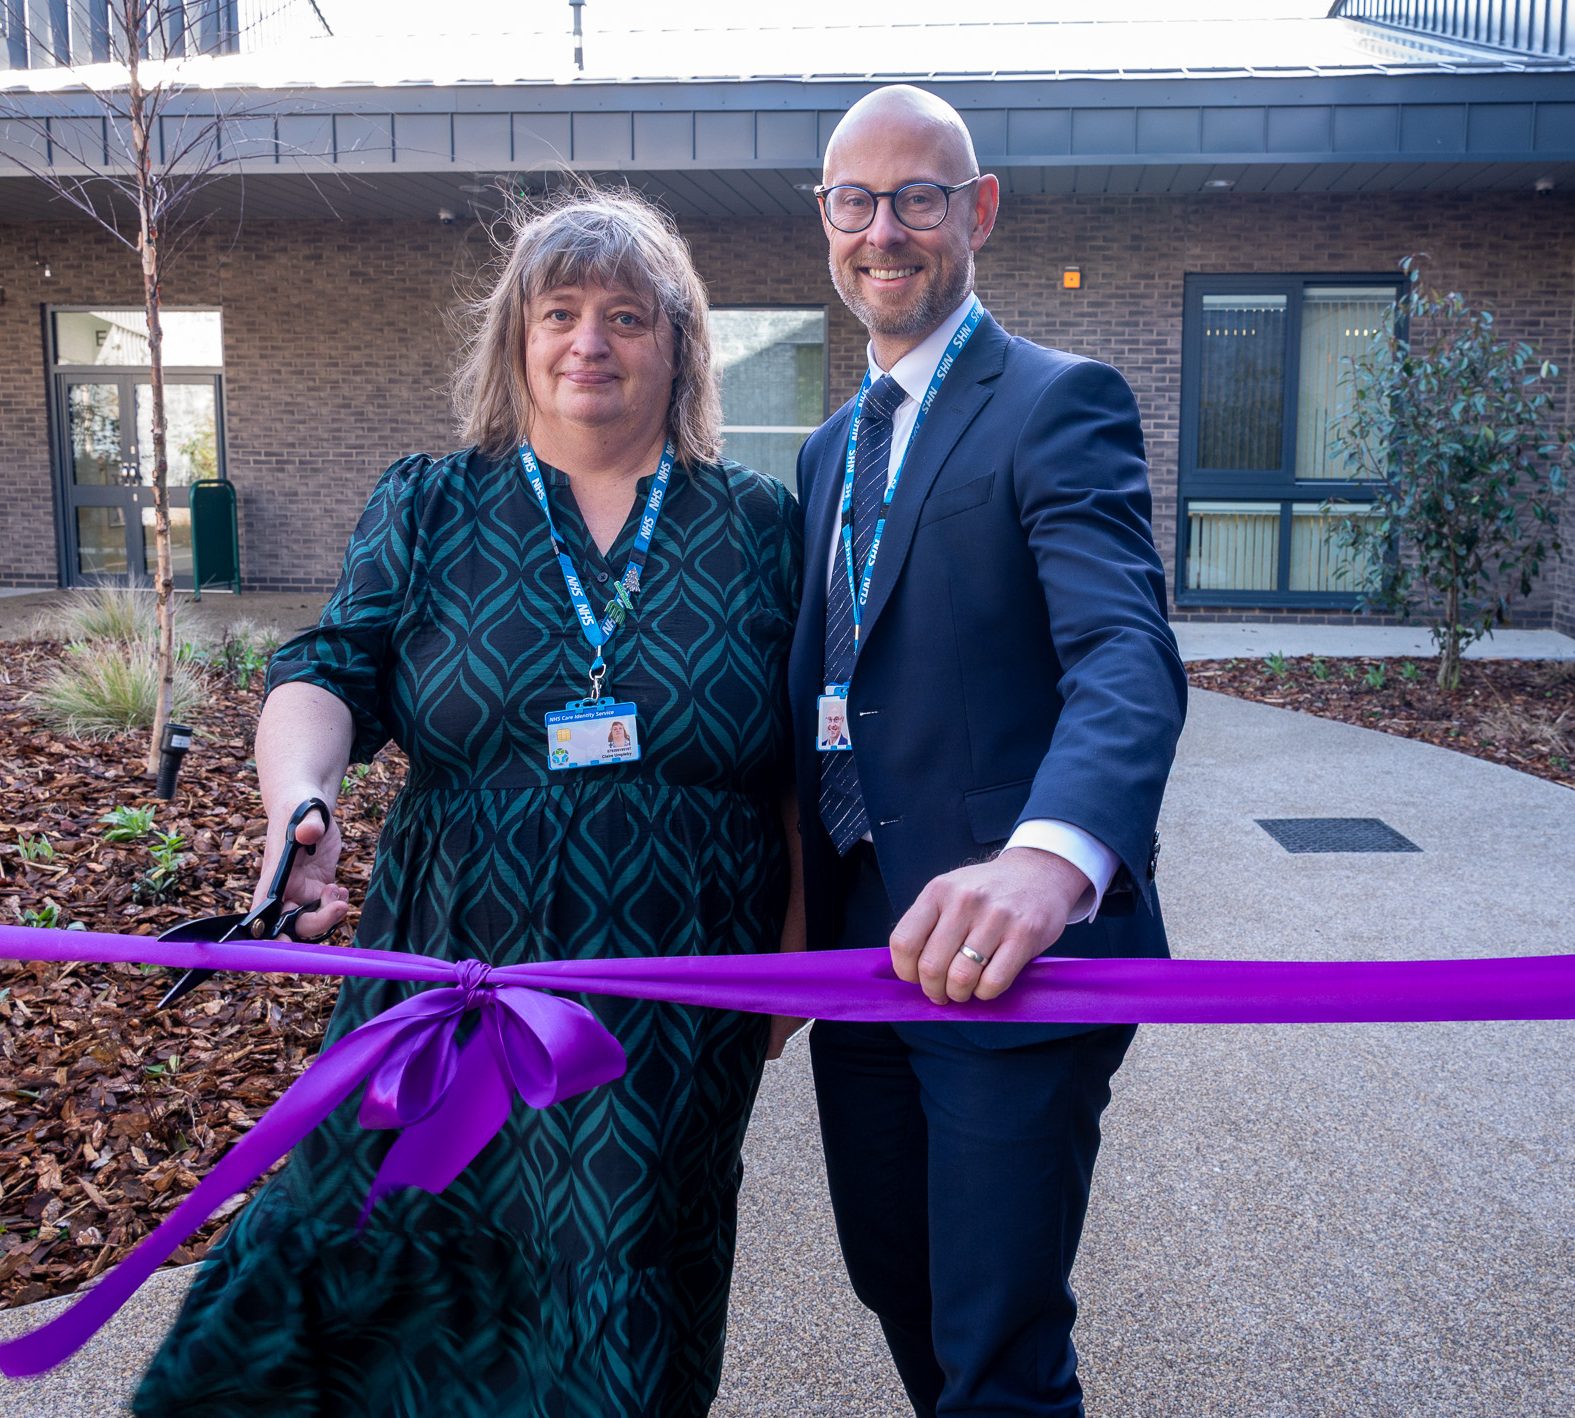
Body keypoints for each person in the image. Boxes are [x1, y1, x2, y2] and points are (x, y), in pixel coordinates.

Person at [134, 189, 805, 1418]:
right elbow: (327, 669)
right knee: (383, 1246)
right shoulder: (432, 503)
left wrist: (787, 968)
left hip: (668, 996)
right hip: (457, 969)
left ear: (679, 345)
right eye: (558, 313)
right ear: (515, 342)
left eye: (625, 315)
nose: (587, 341)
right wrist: (303, 805)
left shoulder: (757, 523)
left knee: (622, 1272)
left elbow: (796, 766)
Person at [788, 86, 1186, 1418]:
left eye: (919, 197)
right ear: (826, 219)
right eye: (856, 200)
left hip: (1014, 966)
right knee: (898, 1284)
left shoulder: (1059, 403)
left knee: (999, 1344)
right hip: (862, 953)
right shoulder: (828, 450)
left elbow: (1124, 655)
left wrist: (1051, 859)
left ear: (981, 211)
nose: (883, 229)